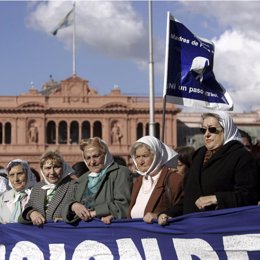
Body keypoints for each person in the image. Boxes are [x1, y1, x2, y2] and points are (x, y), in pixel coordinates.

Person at [158, 111, 260, 225]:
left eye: (212, 129)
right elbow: (189, 198)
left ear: (225, 130)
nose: (206, 134)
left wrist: (216, 199)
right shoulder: (198, 155)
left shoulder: (242, 156)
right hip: (193, 228)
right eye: (203, 130)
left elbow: (249, 196)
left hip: (222, 228)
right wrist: (169, 213)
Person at [62, 137, 132, 225]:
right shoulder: (83, 179)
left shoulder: (120, 173)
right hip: (83, 232)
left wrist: (95, 213)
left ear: (105, 154)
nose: (92, 162)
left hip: (107, 229)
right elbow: (67, 204)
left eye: (96, 156)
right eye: (88, 158)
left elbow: (124, 204)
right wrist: (73, 206)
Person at [128, 136, 183, 224]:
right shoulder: (138, 181)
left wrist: (158, 215)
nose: (140, 161)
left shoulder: (173, 179)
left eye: (145, 156)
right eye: (137, 156)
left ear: (156, 156)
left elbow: (182, 209)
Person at [18, 150, 75, 226]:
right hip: (40, 235)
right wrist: (31, 213)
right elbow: (23, 214)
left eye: (56, 167)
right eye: (48, 168)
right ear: (42, 170)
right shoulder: (37, 187)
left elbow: (82, 211)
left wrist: (68, 219)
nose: (52, 172)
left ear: (63, 167)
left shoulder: (73, 185)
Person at [0, 159, 37, 223]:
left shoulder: (38, 195)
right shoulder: (2, 199)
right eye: (12, 175)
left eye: (20, 174)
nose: (16, 179)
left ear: (28, 174)